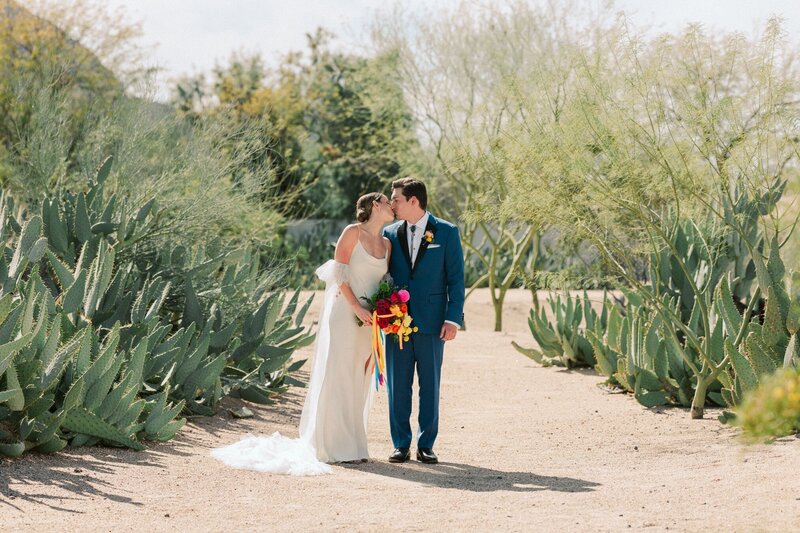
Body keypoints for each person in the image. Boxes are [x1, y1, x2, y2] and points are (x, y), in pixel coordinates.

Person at [211, 192, 395, 475]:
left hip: (372, 322)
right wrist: (357, 307)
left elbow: (384, 282)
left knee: (361, 375)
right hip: (347, 314)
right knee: (339, 374)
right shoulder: (352, 233)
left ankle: (355, 446)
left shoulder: (387, 244)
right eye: (386, 201)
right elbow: (339, 275)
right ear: (374, 206)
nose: (392, 206)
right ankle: (333, 446)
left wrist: (384, 311)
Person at [382, 177, 465, 464]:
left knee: (430, 385)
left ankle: (426, 444)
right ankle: (401, 444)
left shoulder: (447, 232)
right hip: (396, 324)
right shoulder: (389, 233)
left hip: (432, 323)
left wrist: (453, 319)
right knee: (397, 385)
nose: (392, 204)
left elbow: (456, 279)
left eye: (396, 199)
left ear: (413, 201)